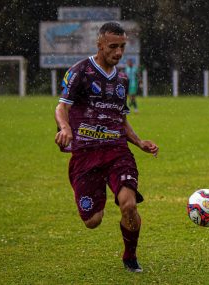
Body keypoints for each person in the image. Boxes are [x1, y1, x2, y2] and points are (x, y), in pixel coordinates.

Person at [54, 22, 158, 273]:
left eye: (122, 47)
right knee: (92, 221)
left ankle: (130, 256)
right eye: (113, 46)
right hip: (86, 155)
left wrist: (139, 142)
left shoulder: (122, 79)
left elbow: (121, 120)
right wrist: (65, 128)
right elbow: (62, 107)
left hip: (116, 151)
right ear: (99, 45)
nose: (119, 52)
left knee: (129, 204)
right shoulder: (80, 72)